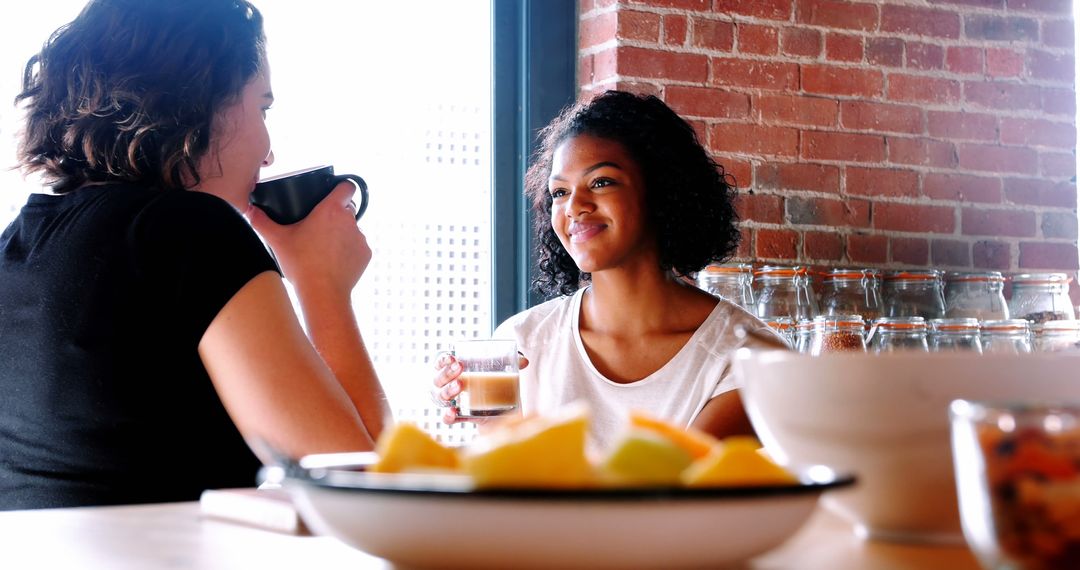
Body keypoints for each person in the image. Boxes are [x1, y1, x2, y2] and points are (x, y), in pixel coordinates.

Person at [0, 0, 389, 510]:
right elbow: (364, 490)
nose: (269, 150)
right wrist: (323, 287)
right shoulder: (189, 231)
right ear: (201, 101)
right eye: (263, 107)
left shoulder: (16, 244)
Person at [433, 90, 781, 450]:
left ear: (661, 190)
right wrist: (490, 423)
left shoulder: (752, 357)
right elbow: (513, 491)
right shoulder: (523, 342)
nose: (574, 207)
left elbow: (669, 490)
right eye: (559, 193)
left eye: (601, 182)